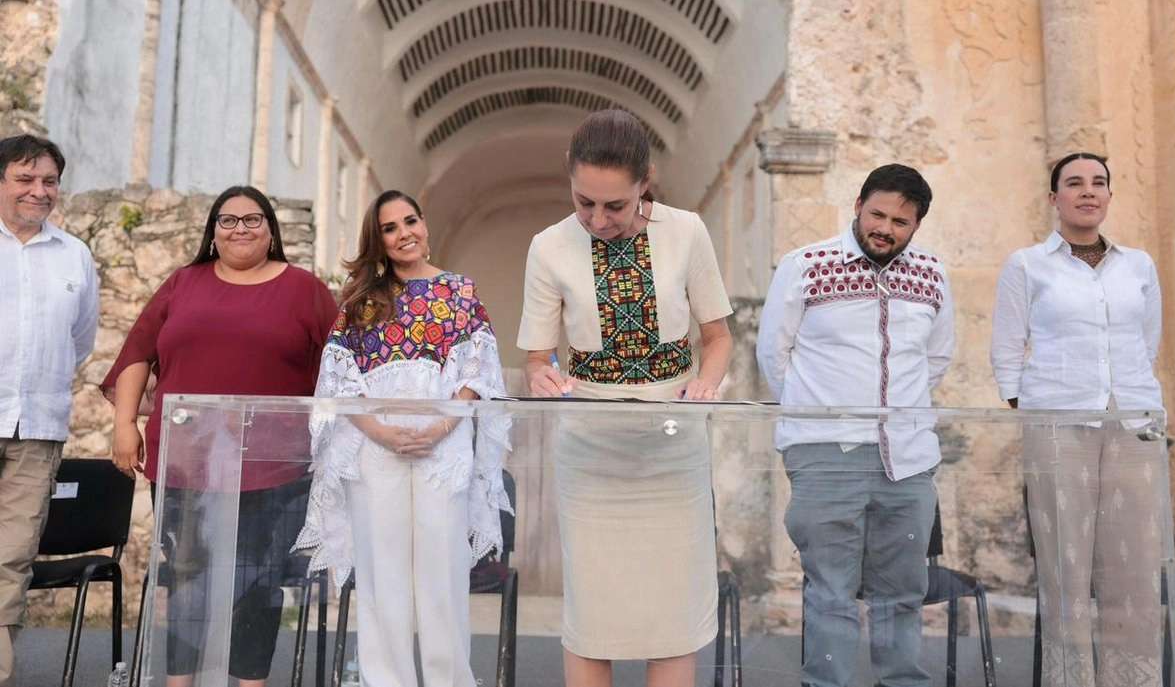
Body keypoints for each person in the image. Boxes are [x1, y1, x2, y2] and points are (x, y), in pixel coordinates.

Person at [518, 109, 733, 687]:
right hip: (591, 455)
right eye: (584, 201)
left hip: (673, 450)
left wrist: (706, 383)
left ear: (645, 181)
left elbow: (717, 338)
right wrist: (541, 377)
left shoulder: (687, 231)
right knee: (593, 614)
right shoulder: (548, 246)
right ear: (569, 176)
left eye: (614, 205)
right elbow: (537, 359)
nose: (598, 219)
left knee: (673, 615)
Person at [104, 185, 337, 687]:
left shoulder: (306, 290)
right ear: (213, 232)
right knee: (187, 578)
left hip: (275, 467)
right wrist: (124, 425)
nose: (240, 229)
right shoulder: (182, 283)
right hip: (187, 462)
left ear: (271, 230)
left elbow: (342, 372)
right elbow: (137, 354)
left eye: (252, 219)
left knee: (258, 582)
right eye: (227, 220)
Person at [294, 190, 511, 687]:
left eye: (409, 221)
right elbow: (340, 381)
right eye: (389, 228)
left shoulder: (459, 291)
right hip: (375, 446)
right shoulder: (360, 300)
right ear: (379, 240)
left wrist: (439, 427)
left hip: (444, 443)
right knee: (382, 575)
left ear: (424, 224)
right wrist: (382, 433)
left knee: (442, 575)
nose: (403, 233)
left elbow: (478, 373)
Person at [756, 163, 954, 687]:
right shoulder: (805, 265)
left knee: (903, 592)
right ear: (858, 206)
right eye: (877, 214)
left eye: (900, 222)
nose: (885, 229)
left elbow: (936, 358)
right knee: (831, 592)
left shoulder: (932, 272)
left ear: (917, 225)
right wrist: (819, 413)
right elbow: (774, 354)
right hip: (826, 452)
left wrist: (901, 413)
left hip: (908, 457)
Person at [990, 152, 1165, 686]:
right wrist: (1035, 409)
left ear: (1109, 195)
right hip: (1058, 427)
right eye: (1074, 183)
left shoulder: (1138, 265)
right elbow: (1007, 351)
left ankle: (1131, 680)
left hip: (1132, 425)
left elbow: (1146, 342)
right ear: (1054, 198)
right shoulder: (1027, 265)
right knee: (1066, 567)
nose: (1088, 191)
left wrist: (1123, 393)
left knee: (1133, 567)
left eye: (1098, 182)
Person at [0, 135, 99, 687]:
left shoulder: (74, 255)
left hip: (37, 429)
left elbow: (79, 340)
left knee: (10, 559)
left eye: (49, 181)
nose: (39, 191)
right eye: (25, 178)